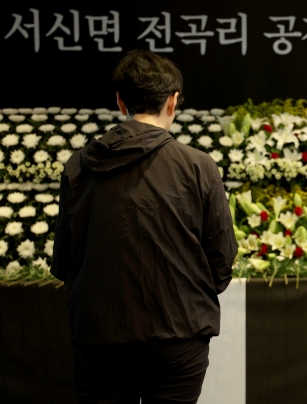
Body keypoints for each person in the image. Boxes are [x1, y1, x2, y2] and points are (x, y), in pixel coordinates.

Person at [51, 50, 238, 404]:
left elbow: (64, 258)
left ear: (120, 101)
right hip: (178, 334)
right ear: (173, 101)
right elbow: (221, 258)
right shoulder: (197, 166)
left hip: (98, 335)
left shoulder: (78, 167)